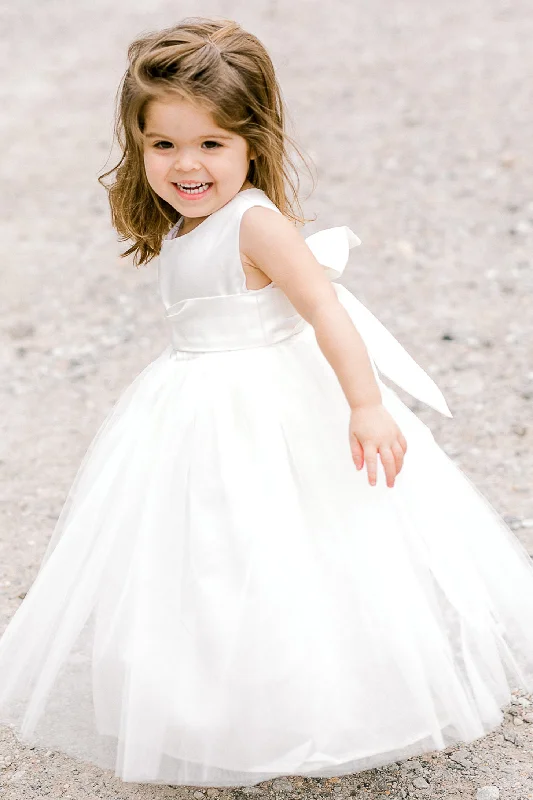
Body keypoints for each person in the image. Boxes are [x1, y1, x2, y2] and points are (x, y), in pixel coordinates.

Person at [1, 15, 533, 791]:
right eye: (164, 145)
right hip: (191, 414)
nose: (186, 164)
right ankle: (209, 700)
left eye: (210, 144)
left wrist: (364, 405)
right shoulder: (188, 225)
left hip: (262, 412)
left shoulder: (254, 221)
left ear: (253, 140)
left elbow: (326, 310)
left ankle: (305, 702)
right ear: (138, 145)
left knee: (281, 548)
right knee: (205, 555)